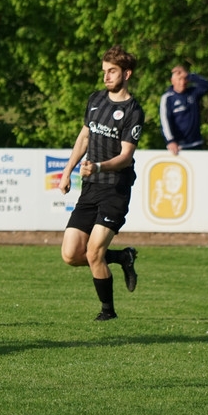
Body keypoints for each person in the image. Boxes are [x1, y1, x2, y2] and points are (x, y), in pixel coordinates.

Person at [59, 45, 145, 321]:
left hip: (115, 190)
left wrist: (97, 166)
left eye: (112, 71)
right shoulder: (96, 99)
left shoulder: (133, 111)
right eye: (105, 71)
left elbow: (125, 157)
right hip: (90, 188)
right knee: (71, 254)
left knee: (94, 252)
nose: (106, 76)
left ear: (126, 74)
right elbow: (84, 137)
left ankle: (108, 312)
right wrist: (67, 171)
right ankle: (121, 257)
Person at [159, 65, 208, 154]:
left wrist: (189, 75)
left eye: (184, 79)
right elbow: (165, 121)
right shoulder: (168, 98)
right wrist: (170, 141)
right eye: (179, 79)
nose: (182, 82)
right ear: (172, 81)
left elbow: (207, 85)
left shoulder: (193, 93)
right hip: (178, 147)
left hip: (196, 144)